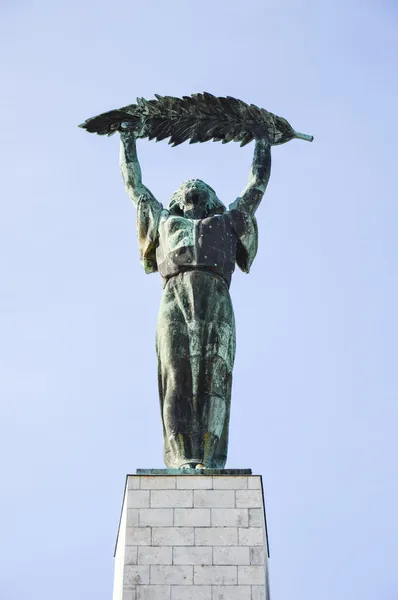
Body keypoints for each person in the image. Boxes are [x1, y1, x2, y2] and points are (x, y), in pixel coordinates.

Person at [119, 127, 271, 469]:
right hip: (174, 296)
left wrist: (263, 139)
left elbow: (255, 188)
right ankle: (183, 455)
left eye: (202, 185)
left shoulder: (227, 221)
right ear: (176, 198)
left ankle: (208, 457)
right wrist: (127, 140)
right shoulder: (163, 220)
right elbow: (134, 187)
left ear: (212, 199)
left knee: (212, 376)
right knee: (176, 373)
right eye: (185, 186)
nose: (193, 184)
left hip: (216, 298)